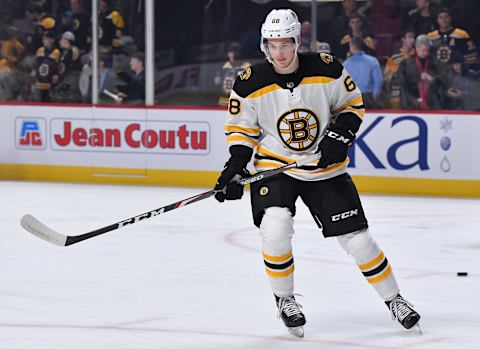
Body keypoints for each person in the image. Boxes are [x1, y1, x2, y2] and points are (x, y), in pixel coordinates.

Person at [214, 8, 421, 338]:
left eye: (284, 45)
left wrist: (339, 137)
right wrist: (235, 167)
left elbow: (351, 106)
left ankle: (395, 300)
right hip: (274, 167)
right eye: (271, 45)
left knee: (359, 241)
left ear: (297, 42)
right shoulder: (250, 81)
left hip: (325, 169)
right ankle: (285, 300)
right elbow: (241, 130)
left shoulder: (326, 69)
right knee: (276, 225)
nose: (278, 53)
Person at [397, 34, 447, 110]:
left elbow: (444, 79)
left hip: (432, 102)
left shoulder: (434, 63)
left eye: (427, 50)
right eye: (423, 50)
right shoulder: (406, 64)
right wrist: (413, 100)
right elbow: (402, 84)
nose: (425, 53)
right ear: (417, 48)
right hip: (412, 102)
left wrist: (432, 79)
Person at [343, 36, 383, 109]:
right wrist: (375, 98)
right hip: (369, 98)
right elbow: (378, 81)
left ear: (351, 46)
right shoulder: (373, 61)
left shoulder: (346, 64)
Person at [384, 30, 415, 108]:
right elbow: (386, 76)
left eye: (413, 37)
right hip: (397, 93)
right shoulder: (394, 57)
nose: (412, 40)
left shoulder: (417, 55)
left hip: (413, 94)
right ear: (403, 39)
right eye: (410, 37)